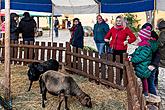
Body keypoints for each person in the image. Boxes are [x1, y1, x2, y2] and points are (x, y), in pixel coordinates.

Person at [129, 23, 161, 102]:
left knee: (150, 82)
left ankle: (154, 99)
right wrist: (131, 55)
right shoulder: (144, 43)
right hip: (146, 64)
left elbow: (158, 53)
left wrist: (153, 65)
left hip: (151, 65)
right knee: (146, 81)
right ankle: (147, 96)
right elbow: (138, 52)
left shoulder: (151, 40)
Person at [104, 15, 136, 84]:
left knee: (120, 66)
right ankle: (110, 77)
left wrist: (127, 41)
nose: (118, 22)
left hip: (122, 50)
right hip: (113, 49)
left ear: (122, 22)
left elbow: (133, 38)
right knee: (110, 64)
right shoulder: (113, 28)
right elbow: (106, 37)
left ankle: (119, 79)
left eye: (120, 21)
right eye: (117, 21)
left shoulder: (126, 29)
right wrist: (108, 40)